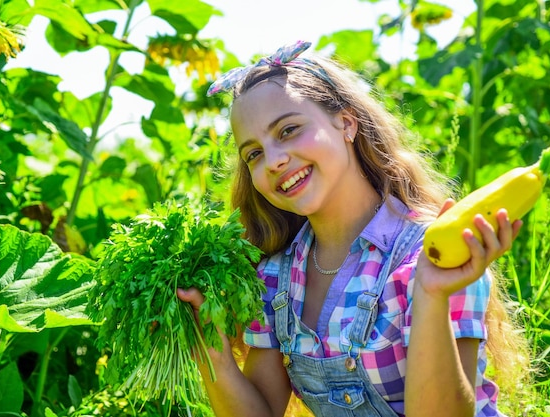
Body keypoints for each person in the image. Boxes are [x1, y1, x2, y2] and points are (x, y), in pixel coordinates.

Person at [177, 40, 529, 417]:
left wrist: (431, 294)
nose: (275, 161)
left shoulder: (436, 252)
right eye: (254, 154)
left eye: (288, 130)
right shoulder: (277, 278)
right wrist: (211, 352)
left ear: (346, 123)